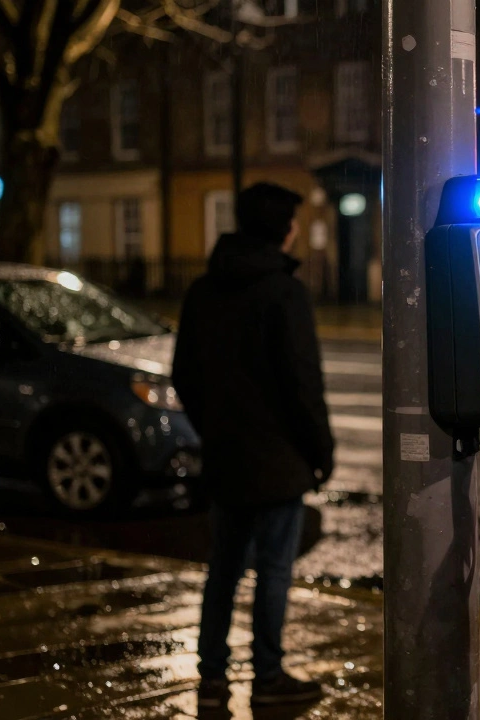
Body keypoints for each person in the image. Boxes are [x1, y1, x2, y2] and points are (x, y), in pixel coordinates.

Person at [173, 182, 334, 709]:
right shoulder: (284, 293)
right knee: (273, 570)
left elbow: (185, 376)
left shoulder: (202, 290)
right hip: (279, 460)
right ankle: (267, 676)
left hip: (226, 456)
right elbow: (303, 385)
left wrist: (213, 427)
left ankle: (212, 677)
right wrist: (319, 451)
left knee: (223, 569)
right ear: (285, 230)